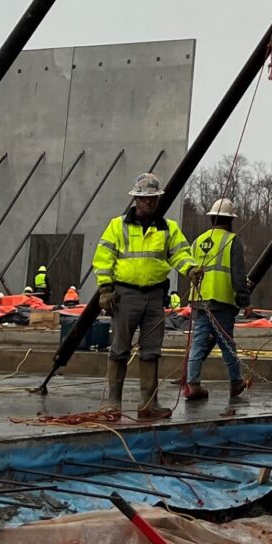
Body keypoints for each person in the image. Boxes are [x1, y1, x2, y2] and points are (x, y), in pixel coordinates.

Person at [92, 173, 187, 416]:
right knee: (119, 348)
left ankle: (148, 404)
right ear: (136, 199)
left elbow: (180, 254)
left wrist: (192, 269)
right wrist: (105, 289)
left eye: (152, 199)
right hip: (125, 295)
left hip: (154, 296)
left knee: (151, 351)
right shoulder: (118, 226)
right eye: (144, 199)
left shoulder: (168, 229)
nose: (148, 203)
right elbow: (104, 258)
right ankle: (113, 401)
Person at [178, 199, 251, 406]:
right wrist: (245, 301)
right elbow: (238, 275)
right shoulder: (232, 241)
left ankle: (192, 383)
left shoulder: (199, 240)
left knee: (199, 342)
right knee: (227, 343)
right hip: (222, 300)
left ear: (211, 218)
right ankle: (236, 381)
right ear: (230, 220)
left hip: (200, 300)